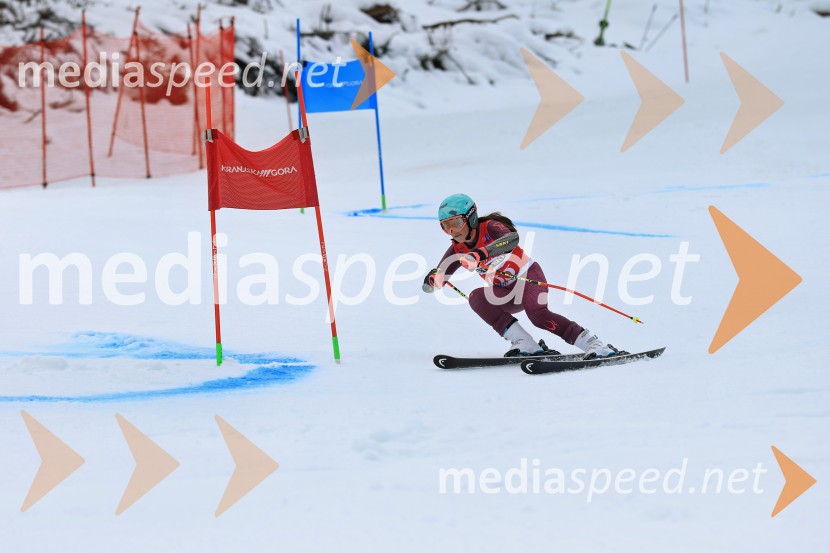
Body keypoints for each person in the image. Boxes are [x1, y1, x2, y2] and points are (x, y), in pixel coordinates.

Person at [422, 193, 619, 359]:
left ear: (471, 218)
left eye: (455, 223)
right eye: (445, 226)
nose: (452, 231)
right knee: (476, 298)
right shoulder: (457, 249)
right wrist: (435, 279)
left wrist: (480, 253)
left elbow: (511, 239)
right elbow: (439, 277)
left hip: (528, 278)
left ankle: (595, 345)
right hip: (505, 292)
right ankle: (524, 343)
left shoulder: (489, 227)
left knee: (539, 317)